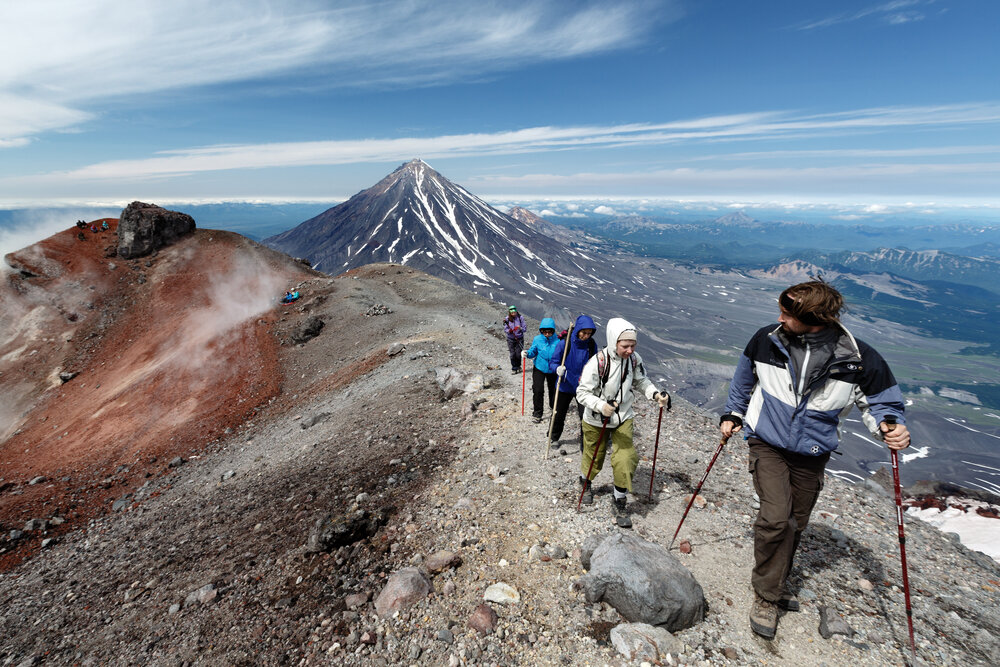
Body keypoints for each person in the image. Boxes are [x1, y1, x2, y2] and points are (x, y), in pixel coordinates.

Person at [719, 280, 910, 640]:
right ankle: (766, 595)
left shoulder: (857, 358)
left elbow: (882, 403)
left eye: (787, 313)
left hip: (812, 452)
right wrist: (733, 413)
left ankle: (775, 581)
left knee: (796, 523)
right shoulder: (767, 340)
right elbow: (744, 380)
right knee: (776, 518)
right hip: (767, 442)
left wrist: (891, 428)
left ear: (814, 319)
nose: (779, 317)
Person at [576, 317, 671, 527]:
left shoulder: (634, 359)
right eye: (625, 346)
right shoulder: (597, 362)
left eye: (633, 345)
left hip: (622, 417)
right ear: (613, 342)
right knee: (594, 455)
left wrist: (655, 394)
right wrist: (601, 406)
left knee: (626, 456)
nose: (630, 350)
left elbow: (640, 380)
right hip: (595, 419)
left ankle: (619, 498)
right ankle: (586, 483)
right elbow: (581, 393)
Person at [548, 315, 598, 451]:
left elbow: (595, 364)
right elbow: (553, 362)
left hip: (583, 386)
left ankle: (585, 444)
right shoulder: (565, 343)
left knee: (585, 416)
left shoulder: (592, 345)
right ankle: (553, 437)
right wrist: (557, 369)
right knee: (558, 413)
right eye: (584, 332)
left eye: (589, 333)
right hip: (564, 384)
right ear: (578, 330)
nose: (586, 336)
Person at [522, 318, 560, 423]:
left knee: (553, 390)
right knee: (538, 390)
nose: (547, 333)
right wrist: (527, 353)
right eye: (544, 331)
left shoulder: (559, 341)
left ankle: (553, 407)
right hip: (539, 367)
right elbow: (533, 351)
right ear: (541, 330)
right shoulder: (537, 339)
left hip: (553, 369)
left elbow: (561, 355)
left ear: (553, 330)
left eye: (550, 331)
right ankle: (537, 413)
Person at [503, 305, 526, 375]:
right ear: (510, 313)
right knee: (512, 354)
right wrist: (508, 331)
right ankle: (514, 368)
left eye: (514, 312)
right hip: (510, 339)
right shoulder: (507, 319)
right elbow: (505, 329)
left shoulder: (520, 318)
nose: (513, 313)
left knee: (518, 354)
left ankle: (518, 366)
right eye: (512, 312)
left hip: (519, 338)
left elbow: (525, 329)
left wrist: (520, 328)